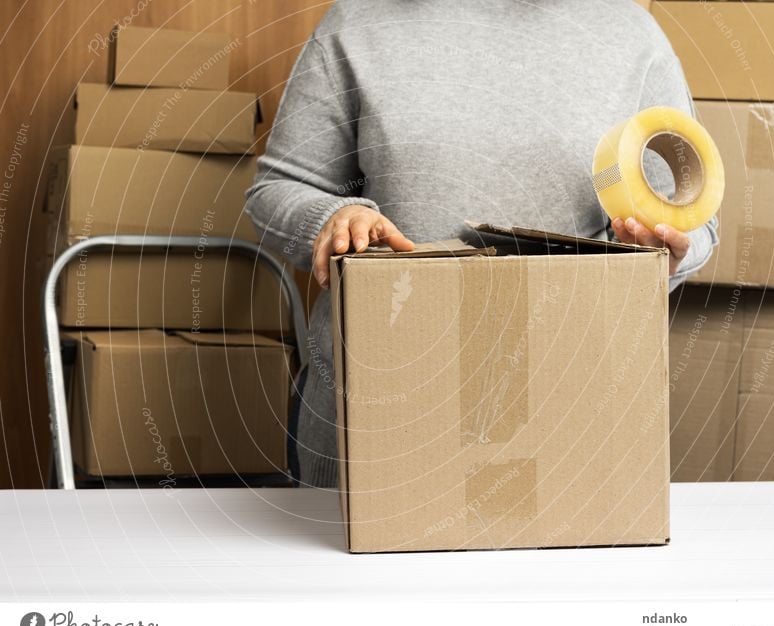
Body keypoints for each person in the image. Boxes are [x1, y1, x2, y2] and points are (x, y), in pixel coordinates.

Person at [244, 0, 718, 488]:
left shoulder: (629, 34)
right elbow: (278, 188)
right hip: (378, 397)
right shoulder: (360, 22)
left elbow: (694, 219)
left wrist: (666, 254)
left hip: (566, 399)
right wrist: (334, 218)